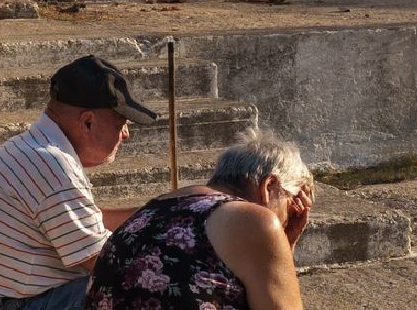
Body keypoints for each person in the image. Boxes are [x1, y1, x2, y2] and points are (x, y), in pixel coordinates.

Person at [0, 55, 160, 310]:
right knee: (157, 285)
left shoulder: (31, 148)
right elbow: (104, 262)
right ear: (87, 122)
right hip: (18, 303)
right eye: (121, 124)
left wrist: (157, 215)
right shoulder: (52, 166)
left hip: (7, 293)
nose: (126, 134)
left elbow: (88, 223)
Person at [86, 132, 315, 310]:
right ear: (269, 186)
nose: (291, 217)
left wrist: (285, 246)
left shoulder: (153, 209)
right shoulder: (254, 221)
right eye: (293, 205)